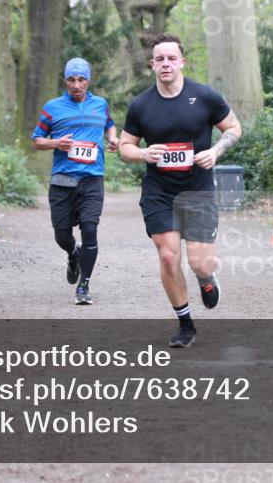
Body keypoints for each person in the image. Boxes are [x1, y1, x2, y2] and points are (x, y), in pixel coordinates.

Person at [119, 34, 242, 347]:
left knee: (199, 262)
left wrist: (215, 151)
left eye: (171, 58)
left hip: (198, 190)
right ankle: (186, 325)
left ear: (182, 62)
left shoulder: (205, 96)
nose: (165, 64)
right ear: (152, 65)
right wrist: (144, 153)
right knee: (168, 255)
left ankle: (206, 279)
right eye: (159, 59)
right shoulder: (141, 105)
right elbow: (125, 146)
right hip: (159, 192)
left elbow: (233, 128)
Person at [33, 58, 118, 305]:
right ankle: (73, 254)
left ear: (88, 81)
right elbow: (37, 140)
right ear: (65, 80)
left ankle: (84, 286)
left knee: (90, 230)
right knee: (62, 235)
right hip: (62, 181)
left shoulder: (100, 104)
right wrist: (55, 143)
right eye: (71, 79)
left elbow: (110, 125)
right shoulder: (52, 107)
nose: (76, 85)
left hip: (92, 179)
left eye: (81, 80)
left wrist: (113, 139)